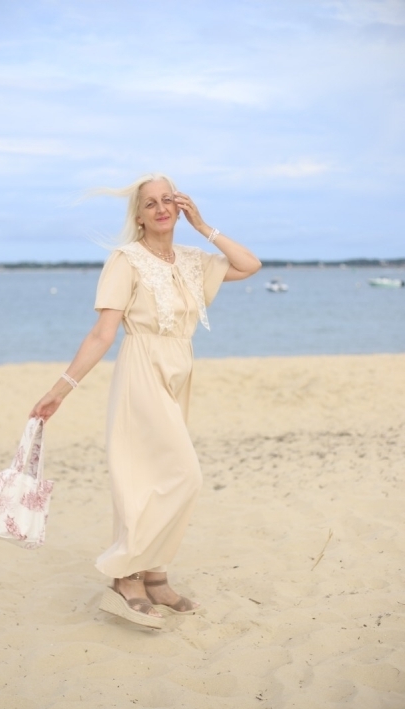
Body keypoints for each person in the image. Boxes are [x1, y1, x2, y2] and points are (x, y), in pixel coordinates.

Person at [30, 173, 261, 629]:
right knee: (178, 476)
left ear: (180, 206)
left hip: (179, 370)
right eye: (150, 202)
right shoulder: (126, 260)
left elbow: (249, 264)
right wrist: (60, 389)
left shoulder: (192, 260)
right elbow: (102, 334)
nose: (161, 208)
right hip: (141, 368)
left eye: (168, 199)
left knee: (160, 475)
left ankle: (155, 575)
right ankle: (125, 576)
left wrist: (203, 226)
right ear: (138, 215)